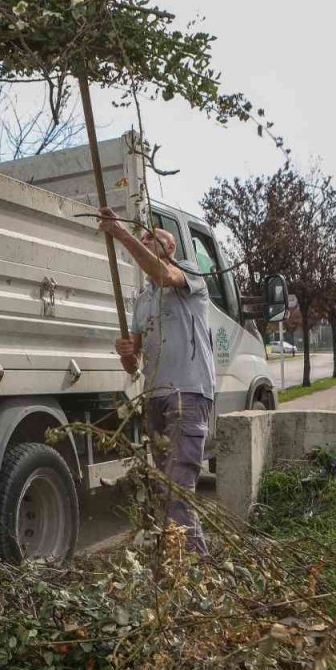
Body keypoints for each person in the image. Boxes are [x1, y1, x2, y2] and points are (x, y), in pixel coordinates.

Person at [96, 207, 215, 556]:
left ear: (170, 248)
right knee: (166, 490)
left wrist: (121, 233)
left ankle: (197, 565)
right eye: (144, 237)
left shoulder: (188, 274)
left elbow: (163, 274)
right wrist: (125, 353)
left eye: (153, 238)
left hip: (188, 395)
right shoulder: (143, 301)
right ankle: (182, 563)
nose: (146, 240)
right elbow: (133, 364)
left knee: (178, 490)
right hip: (155, 399)